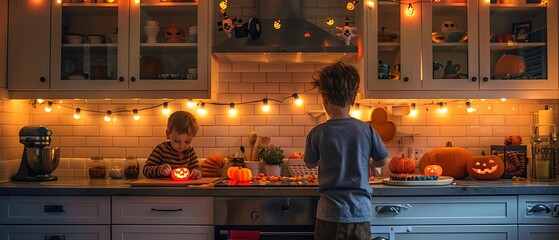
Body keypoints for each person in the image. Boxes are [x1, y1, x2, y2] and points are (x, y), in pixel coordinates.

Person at [304, 61, 389, 240]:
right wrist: (368, 164)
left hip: (329, 214)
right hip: (360, 213)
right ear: (352, 99)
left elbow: (310, 163)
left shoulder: (317, 132)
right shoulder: (367, 129)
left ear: (324, 98)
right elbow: (383, 161)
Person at [143, 111, 203, 179]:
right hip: (164, 188)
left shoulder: (190, 151)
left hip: (184, 188)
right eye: (177, 141)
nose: (182, 146)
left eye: (187, 141)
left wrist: (197, 172)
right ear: (168, 134)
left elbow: (197, 168)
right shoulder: (161, 149)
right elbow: (146, 170)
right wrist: (159, 170)